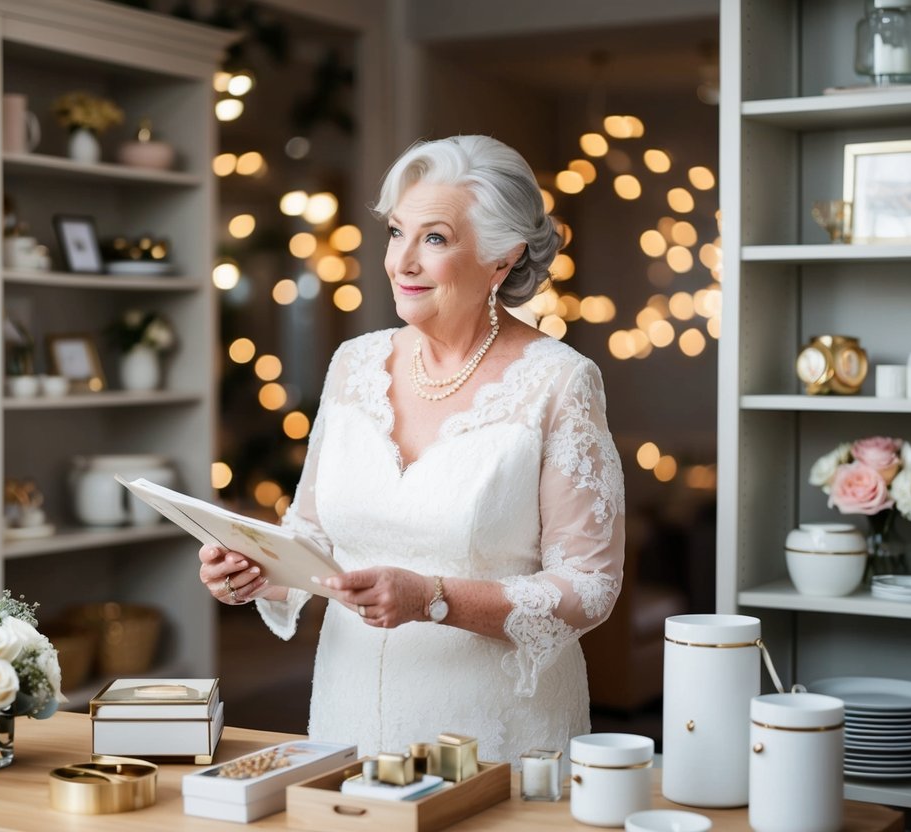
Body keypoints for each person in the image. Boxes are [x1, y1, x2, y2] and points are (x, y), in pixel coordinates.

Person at [197, 135, 625, 765]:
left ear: (501, 259)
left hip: (494, 734)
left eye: (435, 238)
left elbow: (590, 586)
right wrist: (257, 572)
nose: (401, 262)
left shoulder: (559, 381)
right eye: (397, 232)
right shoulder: (353, 363)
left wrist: (433, 598)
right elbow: (311, 532)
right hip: (346, 721)